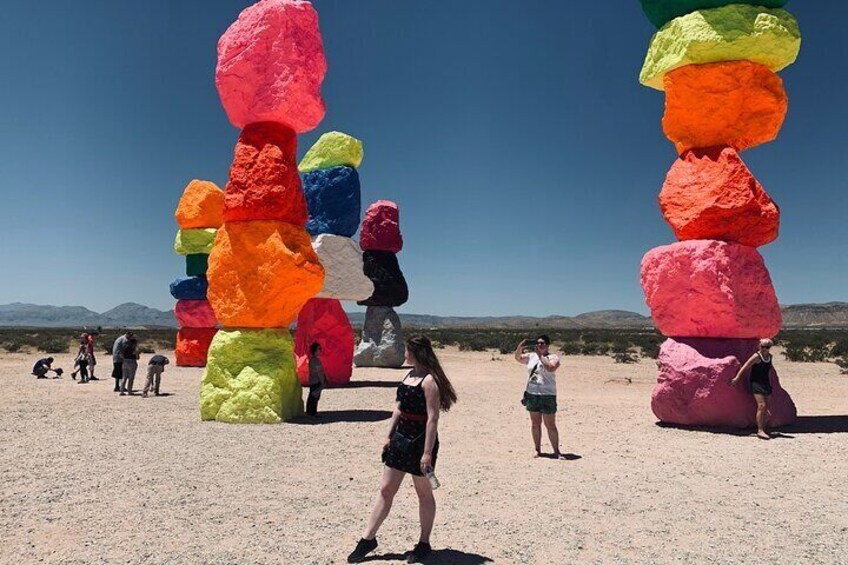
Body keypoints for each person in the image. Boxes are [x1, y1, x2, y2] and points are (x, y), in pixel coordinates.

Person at [347, 335, 458, 564]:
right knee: (386, 490)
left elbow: (432, 419)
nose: (404, 353)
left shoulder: (429, 381)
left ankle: (424, 542)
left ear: (415, 352)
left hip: (420, 442)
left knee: (423, 493)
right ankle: (368, 539)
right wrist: (388, 436)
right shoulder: (408, 375)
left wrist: (427, 453)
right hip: (400, 439)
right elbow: (398, 408)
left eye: (407, 350)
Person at [514, 335, 563, 459]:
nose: (540, 345)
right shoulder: (531, 356)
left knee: (550, 424)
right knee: (535, 423)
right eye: (538, 343)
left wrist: (540, 356)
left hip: (547, 394)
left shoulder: (553, 357)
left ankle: (556, 451)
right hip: (532, 394)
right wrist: (521, 345)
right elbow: (518, 358)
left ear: (547, 345)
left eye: (542, 343)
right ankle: (537, 449)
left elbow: (550, 368)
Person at [731, 338, 776, 440]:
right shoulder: (757, 356)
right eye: (762, 347)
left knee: (766, 407)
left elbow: (769, 371)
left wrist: (772, 382)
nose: (764, 349)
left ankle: (763, 428)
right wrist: (737, 378)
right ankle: (760, 430)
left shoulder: (769, 357)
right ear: (759, 346)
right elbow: (745, 366)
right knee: (762, 405)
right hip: (756, 383)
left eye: (767, 347)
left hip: (766, 383)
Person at [306, 342, 326, 417]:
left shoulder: (313, 359)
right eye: (319, 349)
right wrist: (322, 381)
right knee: (314, 397)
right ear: (315, 350)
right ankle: (312, 412)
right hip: (316, 381)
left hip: (313, 381)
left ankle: (311, 412)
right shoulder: (315, 360)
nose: (320, 350)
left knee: (313, 396)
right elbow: (319, 372)